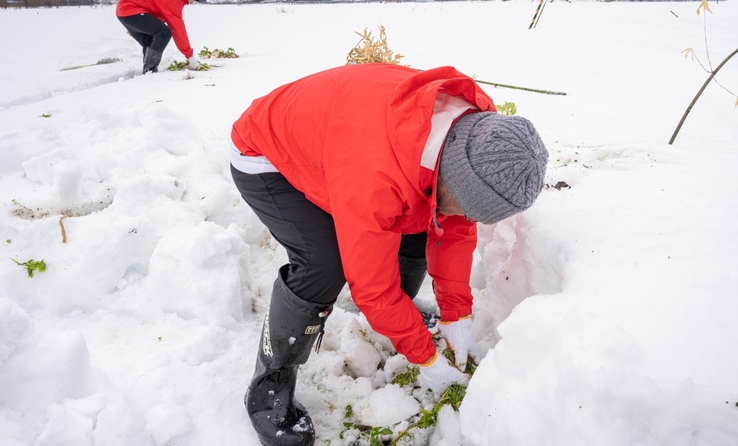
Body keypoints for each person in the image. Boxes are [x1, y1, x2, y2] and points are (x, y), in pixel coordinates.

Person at [230, 63, 549, 446]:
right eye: (465, 207)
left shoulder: (483, 143)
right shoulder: (376, 176)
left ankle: (399, 315)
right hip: (268, 154)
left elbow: (454, 225)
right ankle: (270, 382)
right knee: (324, 264)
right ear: (452, 177)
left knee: (421, 219)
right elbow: (372, 285)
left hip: (341, 144)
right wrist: (423, 355)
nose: (465, 219)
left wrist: (456, 313)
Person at [115, 0, 203, 74]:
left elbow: (153, 1)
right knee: (164, 32)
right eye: (194, 0)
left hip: (125, 10)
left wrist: (139, 25)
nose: (192, 3)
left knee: (151, 40)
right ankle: (150, 70)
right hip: (131, 10)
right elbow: (178, 29)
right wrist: (189, 56)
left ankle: (147, 72)